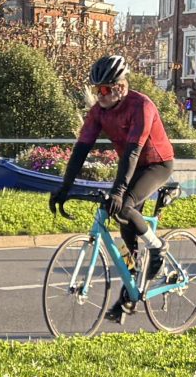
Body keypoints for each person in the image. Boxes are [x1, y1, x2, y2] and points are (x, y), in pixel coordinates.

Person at [50, 56, 175, 319]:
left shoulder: (141, 106)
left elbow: (132, 153)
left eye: (105, 89)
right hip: (131, 165)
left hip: (156, 164)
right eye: (96, 90)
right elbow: (81, 150)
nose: (100, 95)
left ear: (121, 86)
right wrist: (64, 187)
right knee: (123, 222)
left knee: (125, 205)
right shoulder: (98, 112)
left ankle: (158, 247)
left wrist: (119, 192)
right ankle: (129, 294)